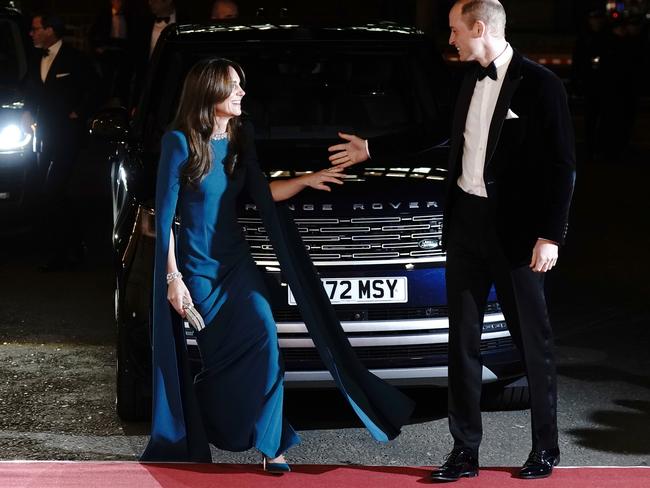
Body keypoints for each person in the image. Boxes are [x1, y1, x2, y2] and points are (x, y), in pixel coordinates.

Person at [328, 0, 575, 481]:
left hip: (519, 236)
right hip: (465, 226)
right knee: (461, 343)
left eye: (454, 31)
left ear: (478, 27)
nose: (451, 40)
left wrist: (551, 235)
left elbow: (562, 168)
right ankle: (464, 451)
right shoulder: (465, 78)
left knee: (532, 345)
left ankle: (545, 448)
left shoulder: (542, 85)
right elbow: (433, 131)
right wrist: (371, 148)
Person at [141, 57, 415, 470]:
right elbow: (166, 219)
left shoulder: (239, 135)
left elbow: (260, 191)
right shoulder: (178, 142)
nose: (241, 93)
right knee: (220, 365)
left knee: (266, 340)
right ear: (209, 91)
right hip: (196, 271)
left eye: (240, 85)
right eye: (234, 86)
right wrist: (173, 278)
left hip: (236, 264)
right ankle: (200, 412)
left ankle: (272, 446)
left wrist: (305, 180)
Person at [24, 12, 97, 270]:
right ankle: (72, 246)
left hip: (68, 137)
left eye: (36, 29)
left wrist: (80, 111)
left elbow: (95, 88)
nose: (32, 34)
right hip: (43, 135)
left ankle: (66, 250)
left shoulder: (75, 59)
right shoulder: (34, 59)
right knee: (48, 191)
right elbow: (31, 89)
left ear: (50, 30)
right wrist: (27, 111)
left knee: (55, 189)